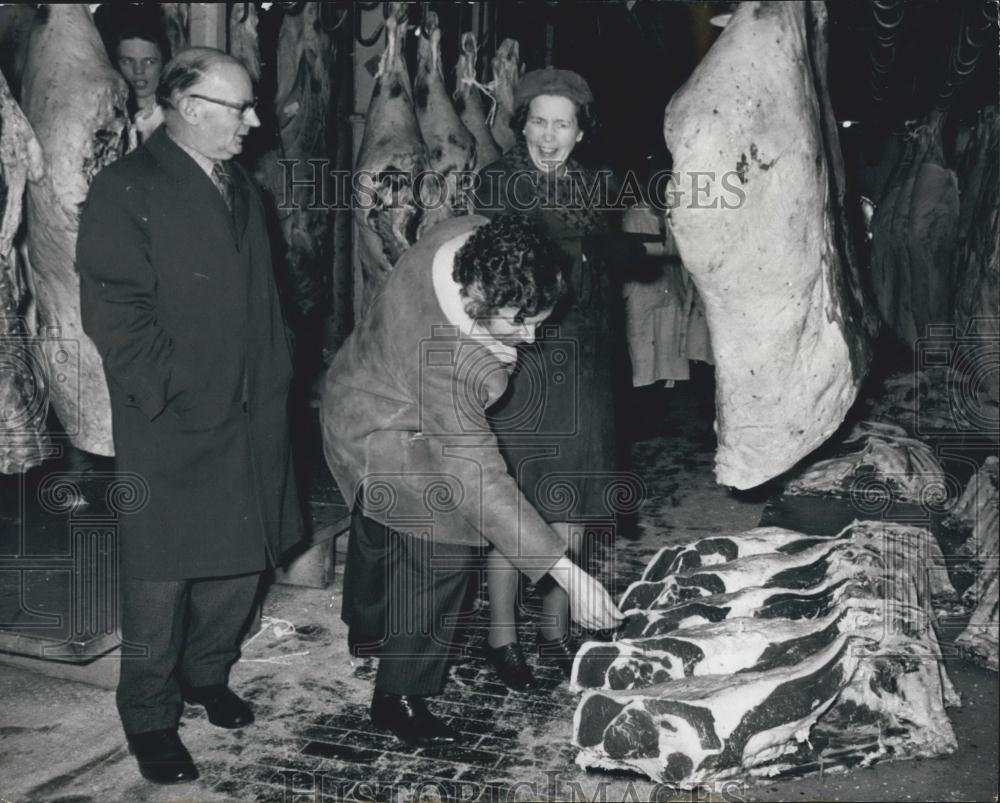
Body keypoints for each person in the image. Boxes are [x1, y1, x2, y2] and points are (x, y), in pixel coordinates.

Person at [77, 48, 302, 785]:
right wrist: (171, 390)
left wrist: (277, 373)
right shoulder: (125, 188)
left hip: (252, 408)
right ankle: (149, 716)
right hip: (175, 415)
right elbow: (115, 310)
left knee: (240, 559)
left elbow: (266, 297)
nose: (254, 121)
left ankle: (207, 675)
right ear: (190, 106)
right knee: (161, 576)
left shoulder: (241, 185)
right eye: (240, 108)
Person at [321, 213, 623, 747]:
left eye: (537, 319)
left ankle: (367, 631)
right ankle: (399, 697)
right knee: (446, 540)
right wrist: (569, 576)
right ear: (477, 297)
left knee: (376, 520)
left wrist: (494, 341)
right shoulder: (446, 359)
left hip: (354, 384)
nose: (530, 337)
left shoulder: (467, 238)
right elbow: (478, 478)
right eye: (518, 323)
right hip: (383, 427)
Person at [473, 68, 647, 690]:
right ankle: (501, 636)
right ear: (522, 126)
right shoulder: (497, 182)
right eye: (538, 122)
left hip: (588, 362)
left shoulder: (599, 185)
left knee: (573, 502)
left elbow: (603, 263)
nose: (549, 136)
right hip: (525, 358)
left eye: (562, 124)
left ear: (580, 131)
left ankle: (557, 626)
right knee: (517, 502)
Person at [111, 14, 171, 142]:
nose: (138, 71)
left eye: (149, 61)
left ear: (164, 64)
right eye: (127, 61)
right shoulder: (107, 117)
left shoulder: (173, 120)